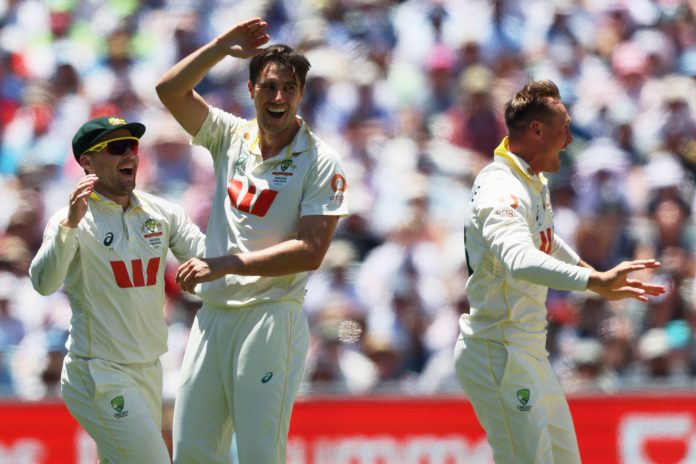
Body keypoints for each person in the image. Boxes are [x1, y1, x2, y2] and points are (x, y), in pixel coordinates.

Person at [155, 17, 349, 464]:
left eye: (288, 88)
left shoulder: (321, 160)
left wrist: (227, 263)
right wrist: (221, 46)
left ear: (301, 94)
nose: (278, 98)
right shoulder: (231, 135)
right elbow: (169, 91)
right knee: (192, 453)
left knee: (260, 454)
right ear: (251, 90)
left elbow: (312, 251)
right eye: (268, 87)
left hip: (269, 316)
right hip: (213, 315)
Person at [453, 80, 666, 464]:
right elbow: (520, 259)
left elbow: (546, 242)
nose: (569, 140)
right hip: (499, 351)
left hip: (528, 349)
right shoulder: (502, 189)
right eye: (564, 128)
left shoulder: (532, 180)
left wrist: (596, 279)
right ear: (537, 130)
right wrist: (593, 280)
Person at [28, 116, 206, 463]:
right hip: (99, 372)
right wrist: (69, 225)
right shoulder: (71, 219)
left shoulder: (162, 212)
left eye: (132, 146)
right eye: (116, 147)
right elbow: (43, 283)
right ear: (87, 162)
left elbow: (210, 258)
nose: (129, 155)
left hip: (148, 368)